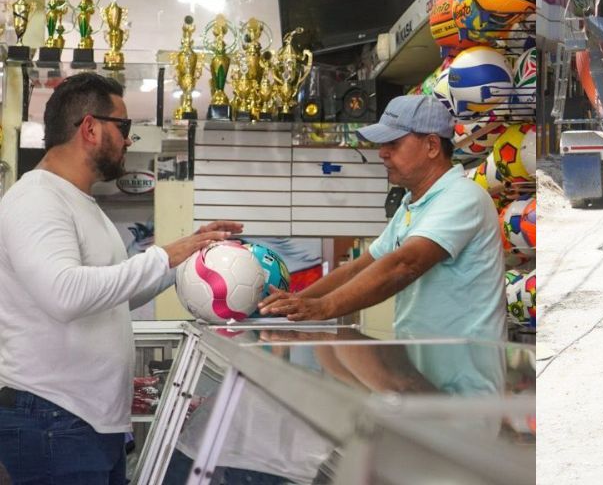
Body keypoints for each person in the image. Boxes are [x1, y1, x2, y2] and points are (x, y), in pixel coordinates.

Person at [0, 72, 238, 482]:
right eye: (124, 127)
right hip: (55, 420)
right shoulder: (37, 199)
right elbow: (66, 294)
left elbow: (111, 295)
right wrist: (164, 255)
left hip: (85, 423)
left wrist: (191, 255)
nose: (129, 140)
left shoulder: (79, 202)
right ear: (90, 128)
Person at [260, 95, 506, 343]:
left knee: (343, 350)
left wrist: (323, 308)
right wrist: (295, 304)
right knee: (333, 353)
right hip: (424, 362)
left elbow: (405, 264)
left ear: (432, 146)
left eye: (393, 143)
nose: (382, 154)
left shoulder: (463, 196)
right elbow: (358, 267)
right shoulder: (413, 203)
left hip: (467, 369)